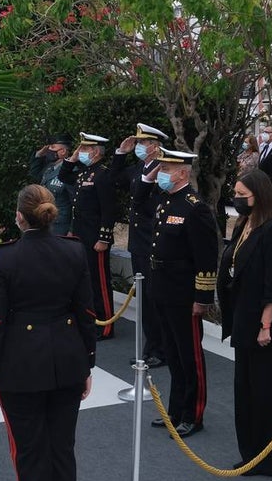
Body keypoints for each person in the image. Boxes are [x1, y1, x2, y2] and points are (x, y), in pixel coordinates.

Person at [0, 184, 95, 481]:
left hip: (20, 373)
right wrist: (87, 365)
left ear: (19, 216)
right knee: (62, 458)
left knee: (31, 462)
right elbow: (86, 314)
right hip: (67, 366)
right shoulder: (74, 249)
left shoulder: (4, 259)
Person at [136, 148, 219, 437]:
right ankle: (174, 410)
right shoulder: (165, 202)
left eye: (167, 169)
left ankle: (193, 415)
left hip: (184, 294)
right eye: (161, 168)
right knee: (172, 354)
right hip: (163, 288)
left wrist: (202, 297)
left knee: (189, 355)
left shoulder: (195, 207)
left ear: (183, 172)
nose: (161, 173)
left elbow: (207, 258)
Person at [218, 169, 272, 475]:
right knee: (244, 391)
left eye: (242, 195)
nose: (237, 199)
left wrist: (266, 325)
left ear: (258, 196)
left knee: (265, 395)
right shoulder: (243, 225)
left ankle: (267, 459)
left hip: (263, 327)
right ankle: (249, 452)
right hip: (243, 322)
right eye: (235, 193)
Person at [113, 123, 169, 368]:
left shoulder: (163, 172)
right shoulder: (139, 168)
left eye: (142, 143)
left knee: (155, 299)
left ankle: (161, 349)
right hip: (138, 244)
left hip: (152, 242)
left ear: (155, 146)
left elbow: (144, 200)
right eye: (137, 143)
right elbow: (115, 179)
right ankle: (150, 347)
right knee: (145, 300)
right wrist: (120, 153)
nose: (138, 147)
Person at [59, 133, 118, 340]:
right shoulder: (85, 172)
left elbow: (109, 210)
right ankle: (93, 319)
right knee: (86, 279)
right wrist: (72, 158)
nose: (80, 151)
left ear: (94, 151)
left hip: (95, 239)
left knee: (99, 281)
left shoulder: (103, 175)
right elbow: (63, 177)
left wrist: (103, 238)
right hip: (81, 235)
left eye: (84, 149)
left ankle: (106, 325)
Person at [28, 135, 74, 236]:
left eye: (52, 147)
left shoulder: (71, 171)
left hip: (60, 226)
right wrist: (39, 155)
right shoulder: (49, 168)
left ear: (63, 151)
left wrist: (72, 229)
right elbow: (34, 174)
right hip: (46, 223)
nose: (49, 150)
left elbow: (76, 203)